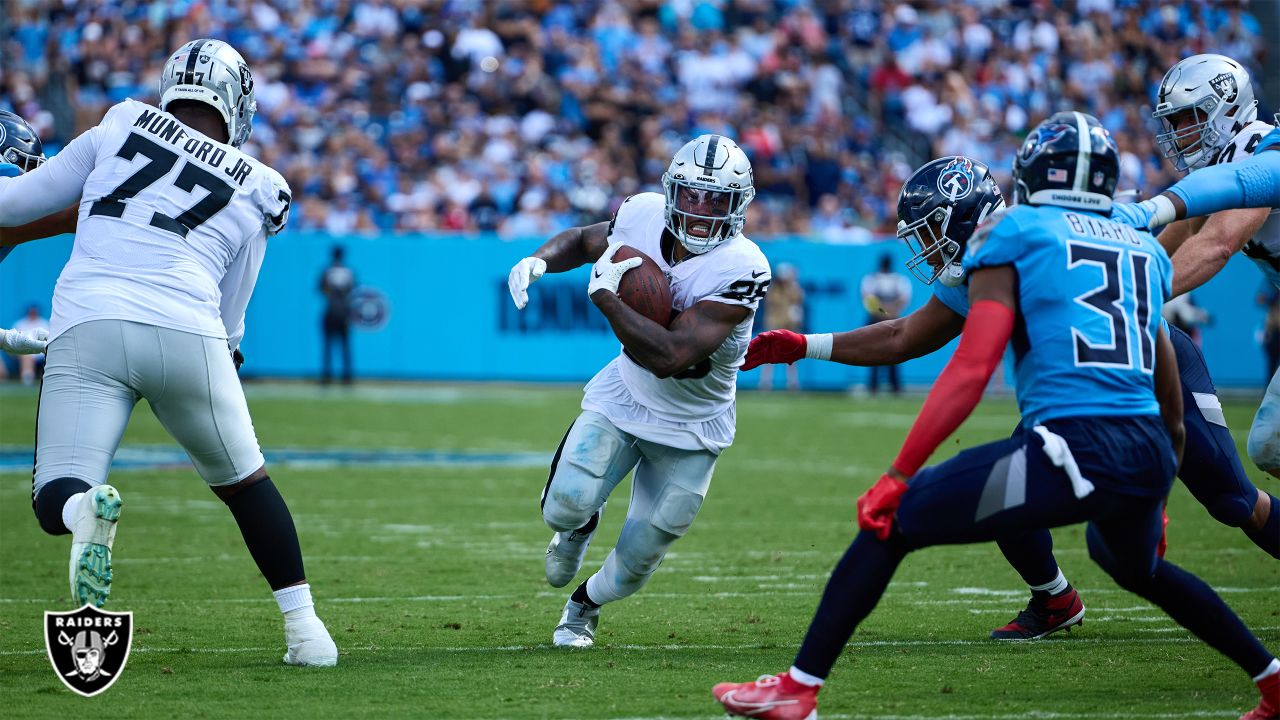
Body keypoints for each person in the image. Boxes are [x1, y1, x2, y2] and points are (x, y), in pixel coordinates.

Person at [713, 112, 1279, 720]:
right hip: (1140, 436)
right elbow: (1156, 338)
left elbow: (971, 368)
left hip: (1080, 441)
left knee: (893, 522)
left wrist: (900, 474)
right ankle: (1272, 682)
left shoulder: (1009, 236)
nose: (923, 249)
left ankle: (798, 689)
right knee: (1130, 563)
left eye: (929, 233)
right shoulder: (1133, 231)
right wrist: (1161, 468)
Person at [0, 39, 337, 666]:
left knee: (57, 493)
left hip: (90, 319)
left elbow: (13, 205)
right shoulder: (262, 185)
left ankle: (84, 514)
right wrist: (224, 361)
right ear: (237, 100)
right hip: (189, 327)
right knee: (247, 484)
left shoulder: (123, 119)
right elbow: (231, 312)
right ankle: (306, 631)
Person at [507, 134, 770, 647]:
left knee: (638, 560)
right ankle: (580, 525)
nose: (702, 210)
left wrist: (607, 298)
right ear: (671, 191)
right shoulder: (643, 214)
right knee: (562, 507)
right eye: (692, 194)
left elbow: (671, 356)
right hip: (627, 394)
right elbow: (586, 240)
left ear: (740, 204)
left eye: (717, 199)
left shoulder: (743, 266)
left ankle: (584, 606)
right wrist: (539, 260)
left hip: (694, 421)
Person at [1120, 55, 1280, 484]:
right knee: (1271, 445)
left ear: (1227, 108)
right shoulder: (1220, 164)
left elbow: (1217, 244)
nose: (1177, 133)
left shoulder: (1262, 149)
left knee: (1269, 441)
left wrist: (1135, 298)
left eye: (1189, 118)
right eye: (1173, 122)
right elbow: (1182, 234)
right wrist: (1121, 274)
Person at [859, 254, 911, 394]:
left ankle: (884, 386)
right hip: (889, 318)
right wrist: (889, 312)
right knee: (889, 351)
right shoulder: (898, 280)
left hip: (882, 318)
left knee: (881, 353)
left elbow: (869, 299)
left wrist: (884, 312)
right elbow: (902, 300)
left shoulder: (872, 279)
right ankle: (884, 386)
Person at [758, 263, 803, 391]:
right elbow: (773, 303)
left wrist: (792, 284)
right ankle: (765, 382)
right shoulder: (773, 289)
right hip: (774, 324)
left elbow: (798, 300)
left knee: (792, 355)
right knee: (768, 354)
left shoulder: (794, 288)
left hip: (789, 325)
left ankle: (792, 383)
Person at [319, 244, 355, 385]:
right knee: (345, 346)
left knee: (328, 346)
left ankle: (327, 376)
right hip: (344, 313)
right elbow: (353, 291)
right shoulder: (349, 272)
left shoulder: (327, 271)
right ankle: (347, 377)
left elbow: (321, 289)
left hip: (330, 311)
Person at [11, 304, 50, 384]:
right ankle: (27, 380)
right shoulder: (20, 324)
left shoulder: (44, 323)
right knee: (26, 355)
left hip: (41, 353)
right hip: (23, 352)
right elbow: (13, 341)